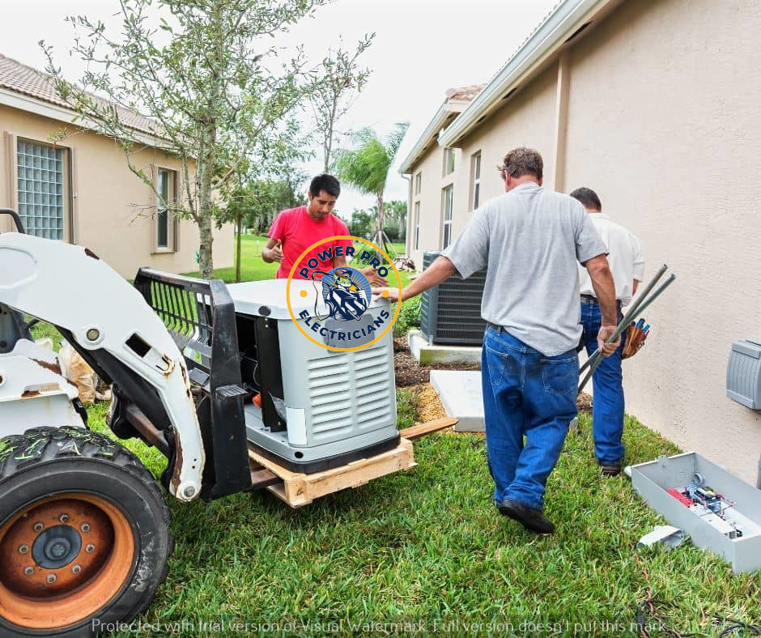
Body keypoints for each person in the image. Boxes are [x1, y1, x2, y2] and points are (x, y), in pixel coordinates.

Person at [373, 148, 619, 535]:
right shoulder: (571, 210)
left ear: (507, 176)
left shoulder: (491, 211)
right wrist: (609, 322)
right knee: (553, 418)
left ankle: (510, 493)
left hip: (503, 341)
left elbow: (449, 262)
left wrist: (406, 291)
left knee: (502, 422)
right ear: (540, 175)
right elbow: (600, 266)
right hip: (555, 347)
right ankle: (522, 493)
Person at [570, 187, 644, 477]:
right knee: (609, 384)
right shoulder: (628, 237)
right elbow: (633, 288)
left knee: (555, 371)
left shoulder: (573, 231)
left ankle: (544, 435)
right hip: (611, 314)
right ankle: (609, 459)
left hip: (571, 309)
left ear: (577, 207)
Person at [262, 174, 387, 286]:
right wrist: (270, 254)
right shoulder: (287, 217)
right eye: (321, 202)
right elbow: (266, 251)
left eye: (331, 204)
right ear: (310, 196)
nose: (326, 209)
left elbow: (339, 267)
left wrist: (359, 275)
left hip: (320, 293)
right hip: (286, 290)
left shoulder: (340, 228)